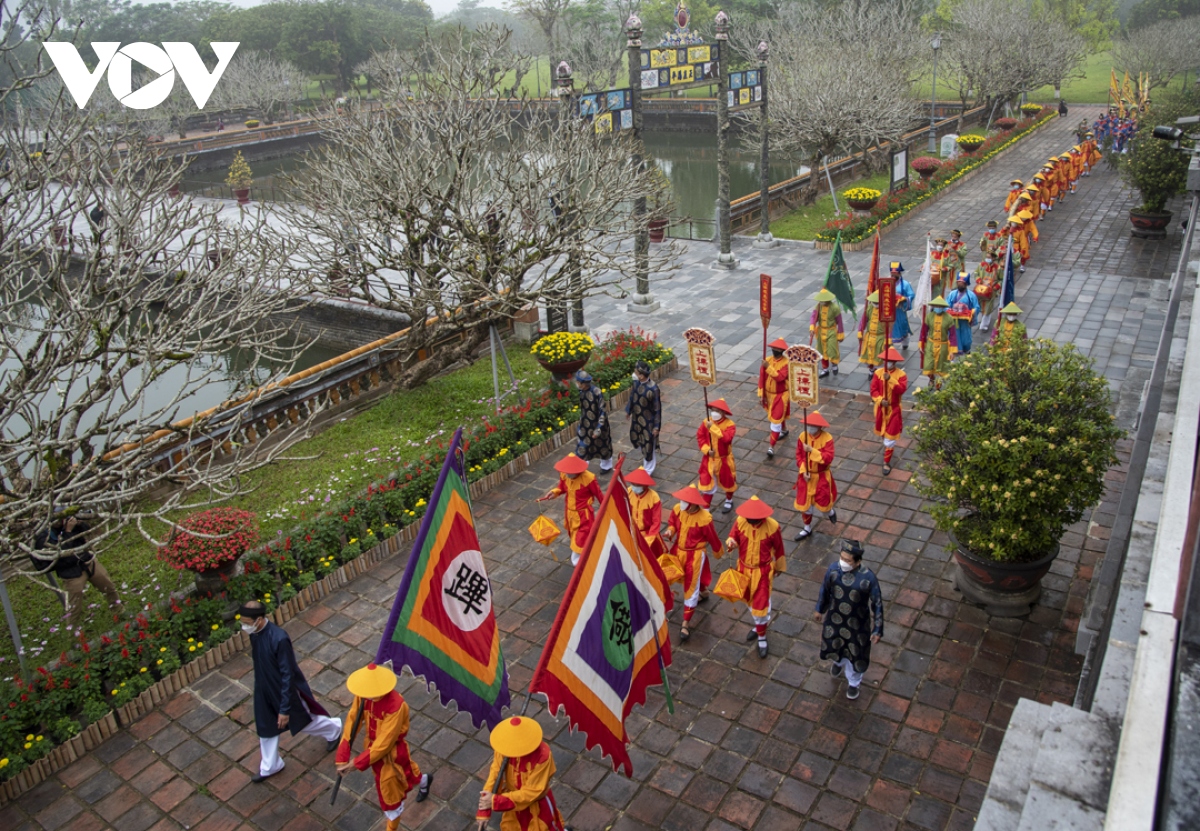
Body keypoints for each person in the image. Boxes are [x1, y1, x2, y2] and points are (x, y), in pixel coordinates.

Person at [243, 601, 343, 783]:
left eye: (246, 622)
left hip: (284, 691)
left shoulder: (279, 638)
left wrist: (284, 709)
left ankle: (334, 729)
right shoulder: (255, 634)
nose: (244, 626)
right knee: (266, 728)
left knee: (303, 722)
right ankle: (270, 765)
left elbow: (287, 674)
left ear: (258, 620)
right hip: (264, 689)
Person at [336, 662, 431, 831]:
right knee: (408, 774)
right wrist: (342, 755)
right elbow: (352, 721)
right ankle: (425, 781)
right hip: (373, 752)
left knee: (390, 796)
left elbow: (385, 743)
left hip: (391, 755)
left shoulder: (396, 706)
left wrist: (356, 763)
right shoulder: (364, 695)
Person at [814, 540, 884, 700]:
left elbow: (877, 603)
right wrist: (820, 609)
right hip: (835, 619)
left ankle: (854, 683)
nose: (843, 562)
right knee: (835, 644)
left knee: (855, 654)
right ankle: (837, 663)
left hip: (857, 625)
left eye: (848, 560)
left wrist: (877, 628)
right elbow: (824, 590)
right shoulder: (833, 570)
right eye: (842, 558)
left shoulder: (868, 579)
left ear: (858, 561)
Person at [476, 716, 569, 831]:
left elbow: (532, 792)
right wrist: (484, 810)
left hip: (537, 806)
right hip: (513, 806)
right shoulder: (505, 746)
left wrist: (496, 801)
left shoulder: (542, 756)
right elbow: (495, 773)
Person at [723, 496, 786, 658]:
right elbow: (733, 536)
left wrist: (779, 566)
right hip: (743, 569)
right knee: (750, 603)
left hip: (762, 572)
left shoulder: (772, 527)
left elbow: (779, 548)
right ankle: (759, 626)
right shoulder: (740, 521)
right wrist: (731, 543)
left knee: (761, 605)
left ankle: (762, 637)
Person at [31, 514, 120, 627]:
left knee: (108, 587)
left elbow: (88, 532)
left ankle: (119, 611)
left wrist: (80, 524)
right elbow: (62, 553)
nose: (60, 521)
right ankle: (72, 635)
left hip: (87, 561)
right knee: (74, 607)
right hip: (71, 572)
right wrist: (68, 531)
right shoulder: (43, 536)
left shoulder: (68, 523)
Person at [663, 485, 722, 641]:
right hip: (677, 550)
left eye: (686, 501)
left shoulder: (705, 519)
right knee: (667, 576)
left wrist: (718, 550)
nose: (682, 503)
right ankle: (704, 593)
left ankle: (685, 623)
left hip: (694, 556)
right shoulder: (677, 509)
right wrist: (670, 531)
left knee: (691, 586)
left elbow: (712, 537)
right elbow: (673, 524)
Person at [543, 454, 604, 566]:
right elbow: (561, 487)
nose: (567, 474)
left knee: (580, 540)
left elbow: (600, 495)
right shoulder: (565, 474)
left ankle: (580, 564)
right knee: (576, 538)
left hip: (583, 515)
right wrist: (554, 492)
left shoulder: (589, 478)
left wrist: (606, 510)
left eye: (570, 472)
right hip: (570, 513)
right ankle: (587, 558)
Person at [793, 412, 838, 541]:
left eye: (813, 426)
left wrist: (812, 451)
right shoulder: (802, 436)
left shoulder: (827, 439)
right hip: (806, 477)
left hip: (821, 477)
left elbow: (828, 458)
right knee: (806, 505)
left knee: (823, 504)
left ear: (820, 427)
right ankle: (807, 528)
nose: (810, 428)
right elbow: (799, 456)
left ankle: (830, 512)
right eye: (809, 426)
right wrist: (803, 471)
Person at [696, 398, 737, 513]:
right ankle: (706, 509)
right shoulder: (706, 421)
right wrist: (707, 450)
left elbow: (726, 439)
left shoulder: (730, 425)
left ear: (723, 413)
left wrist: (712, 428)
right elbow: (700, 437)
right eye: (713, 410)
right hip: (709, 459)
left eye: (717, 411)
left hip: (724, 460)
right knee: (707, 484)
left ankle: (729, 500)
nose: (714, 413)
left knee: (728, 481)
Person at [871, 347, 908, 476]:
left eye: (890, 361)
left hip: (894, 409)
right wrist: (880, 400)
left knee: (891, 436)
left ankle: (886, 461)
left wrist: (890, 379)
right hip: (881, 408)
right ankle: (887, 448)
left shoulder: (901, 375)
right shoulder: (878, 373)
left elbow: (901, 390)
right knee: (882, 431)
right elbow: (873, 390)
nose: (888, 363)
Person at [624, 360, 661, 475]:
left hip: (648, 422)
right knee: (636, 439)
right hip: (636, 419)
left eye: (636, 372)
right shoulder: (636, 383)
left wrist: (656, 427)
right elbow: (632, 397)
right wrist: (628, 410)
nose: (634, 374)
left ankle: (648, 469)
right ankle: (645, 458)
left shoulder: (653, 389)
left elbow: (657, 409)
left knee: (648, 445)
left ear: (641, 375)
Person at [573, 370, 613, 473]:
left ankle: (606, 466)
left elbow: (603, 411)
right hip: (585, 424)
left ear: (583, 383)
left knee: (603, 446)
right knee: (582, 446)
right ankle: (581, 467)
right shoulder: (581, 392)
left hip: (598, 424)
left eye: (578, 382)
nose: (577, 384)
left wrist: (598, 429)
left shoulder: (597, 392)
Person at [757, 337, 791, 457]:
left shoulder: (787, 363)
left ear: (781, 350)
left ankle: (771, 447)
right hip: (769, 394)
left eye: (776, 348)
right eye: (773, 348)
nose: (774, 349)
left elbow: (779, 377)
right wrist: (761, 394)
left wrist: (768, 367)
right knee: (779, 415)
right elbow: (762, 378)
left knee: (775, 419)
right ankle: (784, 429)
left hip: (781, 394)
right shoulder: (767, 360)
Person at [625, 468, 666, 561]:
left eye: (637, 485)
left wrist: (648, 540)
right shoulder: (628, 492)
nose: (634, 486)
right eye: (633, 484)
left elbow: (656, 521)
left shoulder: (653, 497)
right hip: (632, 532)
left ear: (644, 485)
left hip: (648, 535)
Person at [920, 296, 956, 389]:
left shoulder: (949, 318)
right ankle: (931, 379)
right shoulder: (929, 316)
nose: (938, 308)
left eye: (940, 306)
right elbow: (924, 331)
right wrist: (922, 343)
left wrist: (952, 350)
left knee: (941, 367)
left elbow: (952, 335)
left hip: (943, 346)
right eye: (937, 306)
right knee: (928, 365)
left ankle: (938, 384)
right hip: (931, 344)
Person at [809, 288, 844, 377]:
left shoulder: (834, 308)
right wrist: (812, 327)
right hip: (821, 331)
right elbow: (814, 317)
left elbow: (839, 322)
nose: (822, 302)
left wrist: (840, 334)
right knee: (821, 351)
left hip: (831, 331)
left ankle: (834, 364)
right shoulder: (818, 306)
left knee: (832, 350)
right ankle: (825, 369)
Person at [946, 272, 981, 355]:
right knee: (954, 336)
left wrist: (971, 312)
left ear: (966, 284)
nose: (960, 284)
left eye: (962, 283)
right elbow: (946, 305)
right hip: (954, 321)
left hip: (965, 321)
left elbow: (976, 307)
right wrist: (949, 311)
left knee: (966, 339)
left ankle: (967, 350)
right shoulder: (952, 294)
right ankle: (954, 353)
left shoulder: (971, 295)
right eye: (959, 282)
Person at [857, 291, 885, 374]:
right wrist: (860, 331)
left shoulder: (886, 310)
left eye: (877, 303)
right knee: (868, 355)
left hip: (880, 337)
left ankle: (878, 372)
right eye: (874, 302)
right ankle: (871, 370)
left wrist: (889, 338)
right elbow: (863, 320)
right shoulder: (869, 308)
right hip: (869, 335)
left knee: (879, 355)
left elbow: (890, 326)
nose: (876, 304)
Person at [890, 262, 915, 350]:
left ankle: (905, 341)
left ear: (899, 273)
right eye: (892, 273)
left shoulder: (905, 284)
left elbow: (911, 295)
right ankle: (890, 342)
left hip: (900, 309)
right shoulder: (887, 282)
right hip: (890, 309)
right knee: (890, 327)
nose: (893, 275)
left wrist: (904, 299)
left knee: (903, 325)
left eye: (895, 273)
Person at [973, 252, 1001, 332]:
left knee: (988, 307)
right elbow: (976, 273)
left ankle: (984, 325)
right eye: (987, 257)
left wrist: (996, 287)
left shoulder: (998, 268)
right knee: (979, 305)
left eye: (989, 257)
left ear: (993, 258)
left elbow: (1001, 279)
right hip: (980, 289)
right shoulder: (981, 265)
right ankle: (978, 319)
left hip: (991, 291)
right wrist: (978, 279)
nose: (987, 258)